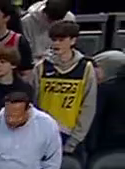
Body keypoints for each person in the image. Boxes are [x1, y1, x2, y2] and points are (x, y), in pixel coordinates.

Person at [37, 19, 97, 153]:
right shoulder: (42, 67)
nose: (56, 43)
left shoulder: (85, 68)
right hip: (43, 133)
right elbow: (34, 100)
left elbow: (88, 105)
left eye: (61, 40)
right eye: (54, 40)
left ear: (73, 41)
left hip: (71, 134)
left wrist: (75, 138)